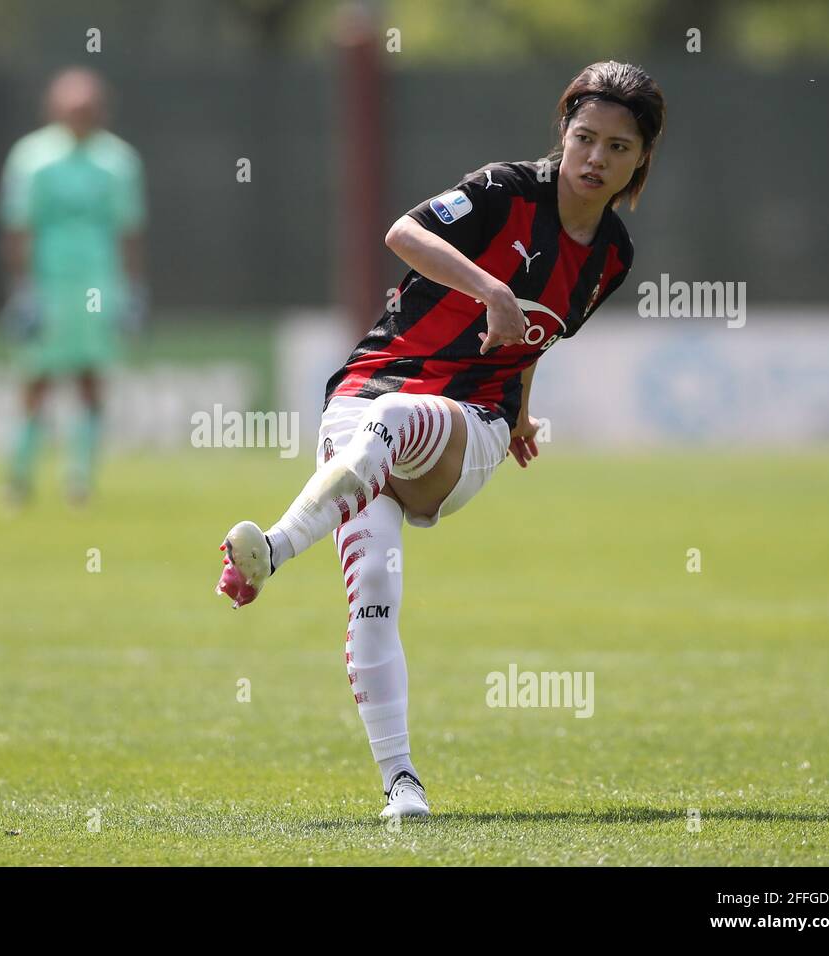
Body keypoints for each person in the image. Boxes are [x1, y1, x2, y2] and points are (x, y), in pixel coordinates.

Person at [215, 61, 666, 818]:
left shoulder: (612, 257)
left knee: (395, 427)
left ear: (641, 158)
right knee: (374, 595)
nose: (596, 158)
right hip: (365, 391)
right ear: (563, 129)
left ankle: (276, 550)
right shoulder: (503, 190)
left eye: (618, 147)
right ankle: (401, 785)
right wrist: (490, 287)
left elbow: (535, 342)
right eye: (585, 137)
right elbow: (402, 232)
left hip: (469, 426)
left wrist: (520, 411)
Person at [0, 67, 147, 505]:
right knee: (35, 378)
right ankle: (18, 478)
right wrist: (22, 289)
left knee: (90, 378)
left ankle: (79, 479)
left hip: (99, 284)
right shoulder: (31, 158)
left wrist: (133, 291)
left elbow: (128, 231)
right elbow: (18, 227)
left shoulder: (118, 162)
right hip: (49, 285)